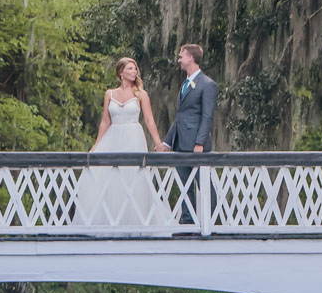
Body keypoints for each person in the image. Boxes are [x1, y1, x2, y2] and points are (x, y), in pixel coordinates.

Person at [72, 58, 174, 226]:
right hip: (113, 136)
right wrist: (96, 145)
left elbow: (149, 120)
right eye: (130, 69)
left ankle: (137, 221)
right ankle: (110, 220)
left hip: (133, 135)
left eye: (135, 69)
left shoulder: (141, 94)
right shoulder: (109, 94)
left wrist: (158, 143)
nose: (134, 72)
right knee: (108, 177)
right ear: (121, 73)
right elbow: (105, 121)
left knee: (133, 176)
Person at [157, 43, 217, 224]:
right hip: (180, 143)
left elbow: (207, 116)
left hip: (196, 144)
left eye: (181, 56)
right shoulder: (185, 83)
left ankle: (211, 221)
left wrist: (200, 143)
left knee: (204, 183)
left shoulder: (208, 84)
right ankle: (188, 221)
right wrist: (167, 142)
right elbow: (180, 116)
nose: (179, 60)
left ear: (191, 58)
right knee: (184, 185)